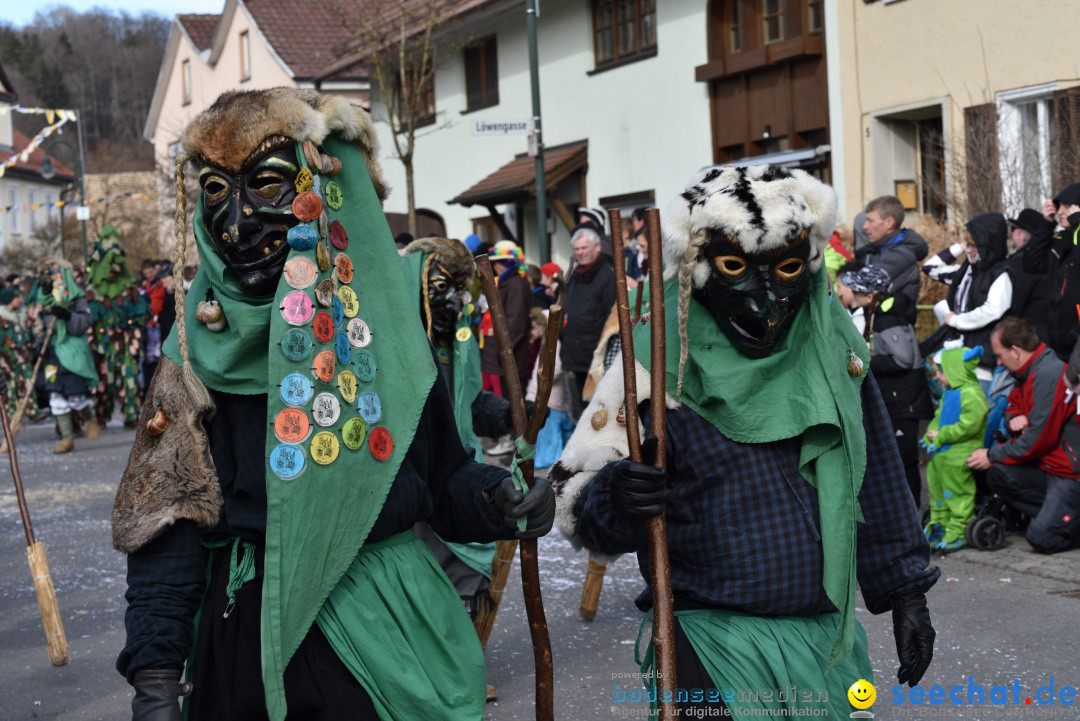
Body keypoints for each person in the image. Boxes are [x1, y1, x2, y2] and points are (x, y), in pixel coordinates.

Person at [111, 88, 554, 721]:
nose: (234, 224)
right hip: (248, 652)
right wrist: (156, 677)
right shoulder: (192, 358)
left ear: (330, 196)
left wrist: (495, 499)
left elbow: (442, 479)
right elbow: (167, 532)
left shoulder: (393, 345)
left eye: (266, 185)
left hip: (390, 633)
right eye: (215, 192)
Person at [552, 165, 937, 718]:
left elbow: (873, 471)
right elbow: (574, 495)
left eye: (783, 270)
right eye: (736, 268)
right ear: (699, 268)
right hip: (711, 642)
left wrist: (906, 591)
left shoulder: (829, 347)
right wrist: (614, 497)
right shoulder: (653, 362)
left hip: (823, 639)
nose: (763, 299)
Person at [967, 318, 1080, 554]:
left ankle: (1062, 521)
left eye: (1000, 354)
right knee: (997, 475)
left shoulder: (1047, 375)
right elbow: (1012, 406)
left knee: (1042, 539)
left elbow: (1040, 440)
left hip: (1067, 473)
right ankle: (1057, 515)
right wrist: (1013, 418)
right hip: (1046, 466)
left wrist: (992, 453)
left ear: (1016, 351)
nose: (998, 361)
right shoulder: (1027, 372)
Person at [837, 265, 933, 505]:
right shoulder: (877, 317)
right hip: (895, 401)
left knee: (905, 461)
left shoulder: (889, 320)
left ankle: (913, 516)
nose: (853, 298)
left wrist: (861, 361)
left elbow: (903, 359)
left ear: (871, 297)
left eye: (857, 294)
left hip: (903, 403)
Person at [922, 213, 1012, 389]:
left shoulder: (1001, 274)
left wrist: (956, 320)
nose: (969, 250)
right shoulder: (965, 272)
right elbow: (930, 267)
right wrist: (961, 246)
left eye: (973, 246)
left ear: (987, 245)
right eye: (968, 245)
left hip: (981, 360)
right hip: (957, 352)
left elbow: (993, 310)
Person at [920, 346, 988, 551]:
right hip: (942, 454)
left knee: (956, 491)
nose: (938, 376)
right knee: (937, 487)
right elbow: (938, 417)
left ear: (957, 371)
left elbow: (969, 425)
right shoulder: (949, 393)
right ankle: (941, 522)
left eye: (942, 371)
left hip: (960, 453)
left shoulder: (971, 394)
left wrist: (941, 436)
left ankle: (959, 526)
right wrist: (929, 435)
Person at [35, 258, 100, 453]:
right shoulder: (44, 300)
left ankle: (89, 417)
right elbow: (40, 327)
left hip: (71, 353)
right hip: (52, 353)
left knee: (74, 396)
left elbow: (85, 321)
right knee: (54, 393)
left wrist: (68, 315)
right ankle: (67, 438)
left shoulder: (76, 298)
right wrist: (39, 346)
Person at [560, 223, 616, 421]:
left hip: (596, 357)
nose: (580, 253)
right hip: (576, 354)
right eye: (576, 249)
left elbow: (611, 317)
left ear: (597, 247)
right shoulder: (575, 275)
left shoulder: (608, 276)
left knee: (599, 408)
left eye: (584, 248)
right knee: (581, 408)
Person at [1021, 183, 1080, 360]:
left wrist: (1078, 221)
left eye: (1066, 206)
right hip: (1057, 343)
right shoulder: (1062, 241)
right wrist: (1046, 224)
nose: (1060, 211)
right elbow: (1032, 263)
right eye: (1059, 206)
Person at [855, 196, 928, 305]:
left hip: (891, 320)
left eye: (870, 221)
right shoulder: (873, 250)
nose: (865, 227)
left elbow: (865, 285)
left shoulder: (901, 254)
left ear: (889, 222)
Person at [1005, 208, 1051, 343]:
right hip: (1048, 330)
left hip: (1030, 335)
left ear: (1021, 234)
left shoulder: (1021, 261)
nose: (1012, 233)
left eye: (1013, 228)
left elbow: (1015, 301)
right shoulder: (1050, 255)